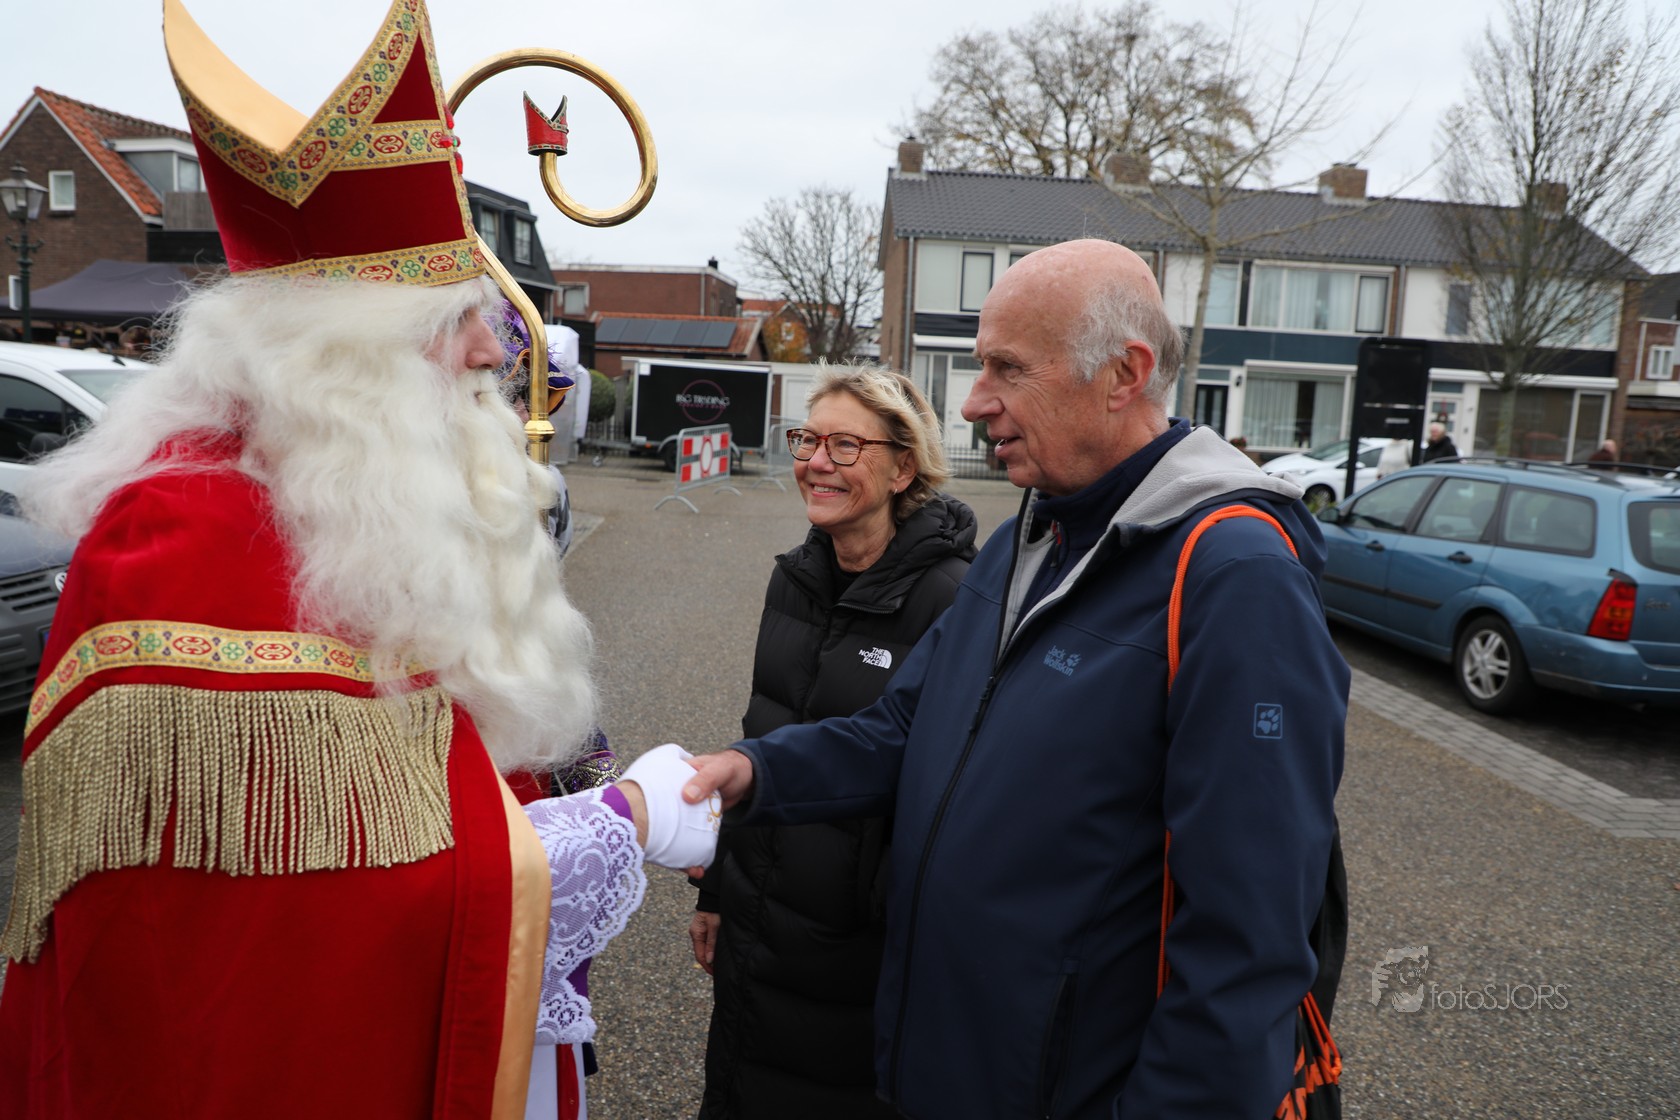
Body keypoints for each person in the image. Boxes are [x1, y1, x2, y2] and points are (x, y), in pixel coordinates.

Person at [0, 2, 716, 1117]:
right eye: (455, 318)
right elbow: (305, 934)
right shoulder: (188, 532)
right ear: (339, 354)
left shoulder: (361, 498)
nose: (491, 349)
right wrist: (618, 823)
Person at [684, 238, 1348, 1119]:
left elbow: (1249, 943)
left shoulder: (1235, 577)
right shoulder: (1027, 539)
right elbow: (903, 729)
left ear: (1123, 374)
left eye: (1007, 368)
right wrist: (756, 772)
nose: (973, 401)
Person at [690, 364, 977, 1120]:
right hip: (759, 922)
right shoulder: (796, 577)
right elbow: (762, 732)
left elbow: (946, 790)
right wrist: (719, 891)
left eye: (845, 446)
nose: (816, 462)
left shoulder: (955, 600)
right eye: (807, 440)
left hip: (857, 951)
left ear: (902, 468)